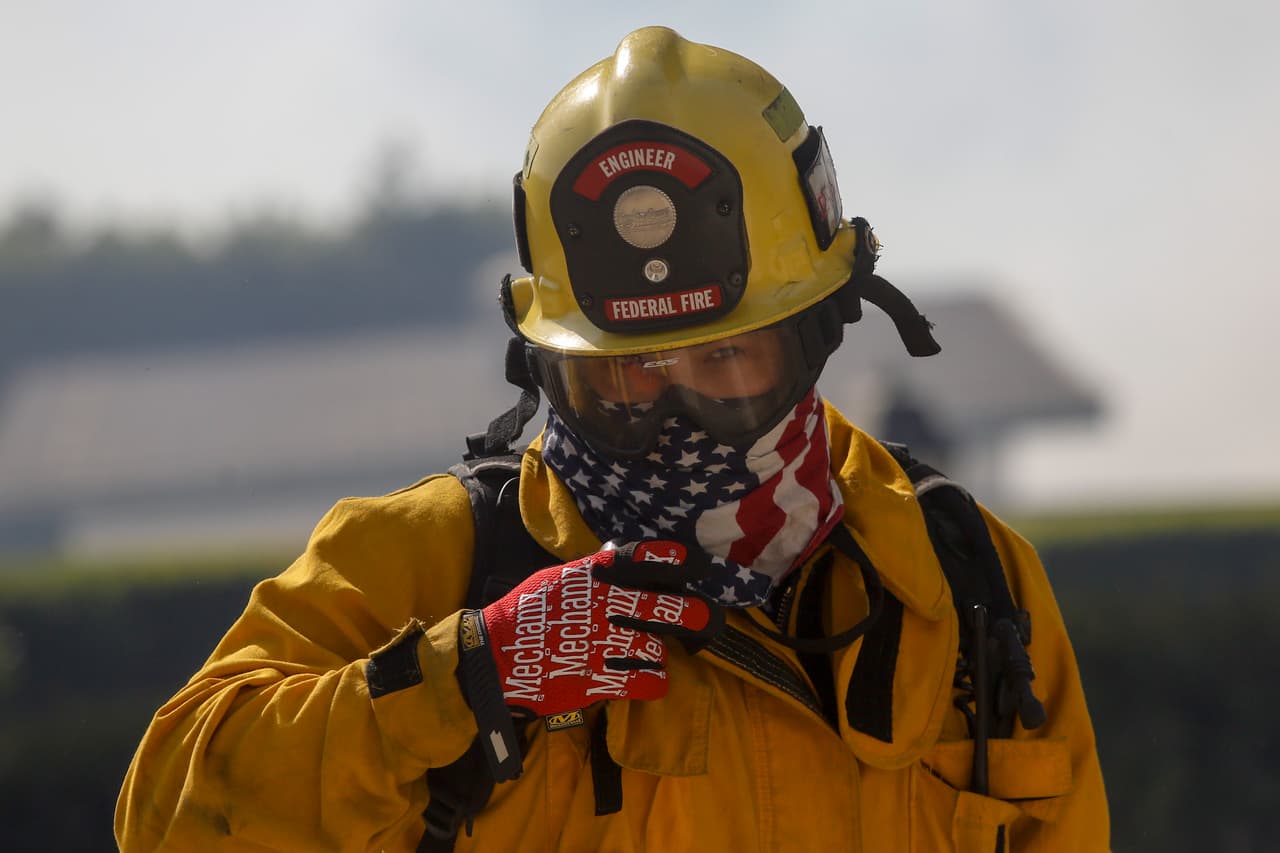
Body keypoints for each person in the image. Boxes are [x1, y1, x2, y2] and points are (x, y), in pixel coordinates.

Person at [116, 26, 1109, 852]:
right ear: (549, 362)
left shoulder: (966, 590)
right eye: (625, 372)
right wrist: (468, 675)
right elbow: (166, 822)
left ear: (813, 333)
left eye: (722, 361)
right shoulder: (425, 565)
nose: (673, 414)